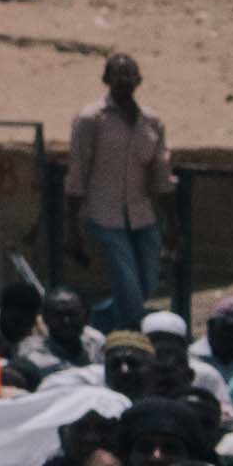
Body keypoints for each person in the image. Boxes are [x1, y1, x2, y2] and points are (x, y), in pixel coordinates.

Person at [67, 57, 176, 324]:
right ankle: (129, 339)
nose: (124, 81)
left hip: (142, 215)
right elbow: (78, 171)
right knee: (128, 285)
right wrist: (73, 228)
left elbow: (162, 173)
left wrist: (172, 224)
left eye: (129, 75)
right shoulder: (91, 119)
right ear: (106, 80)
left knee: (147, 284)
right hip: (105, 216)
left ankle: (99, 320)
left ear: (139, 80)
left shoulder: (151, 121)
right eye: (118, 75)